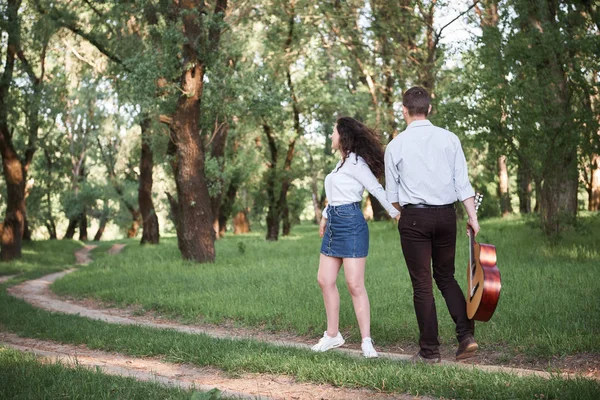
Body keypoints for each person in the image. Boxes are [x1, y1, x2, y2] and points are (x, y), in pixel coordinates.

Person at [384, 86, 480, 363]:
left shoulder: (396, 145)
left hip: (414, 217)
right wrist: (472, 218)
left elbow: (393, 198)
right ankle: (466, 337)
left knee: (423, 285)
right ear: (429, 109)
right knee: (446, 277)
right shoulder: (450, 139)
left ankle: (429, 352)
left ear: (404, 110)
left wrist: (408, 213)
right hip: (447, 216)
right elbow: (463, 184)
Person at [312, 116, 400, 358]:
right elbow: (336, 196)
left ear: (343, 135)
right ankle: (332, 335)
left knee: (354, 284)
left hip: (351, 223)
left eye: (333, 132)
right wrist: (326, 215)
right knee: (324, 279)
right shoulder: (340, 164)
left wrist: (396, 213)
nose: (331, 136)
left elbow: (376, 190)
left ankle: (366, 341)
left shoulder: (356, 163)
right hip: (334, 224)